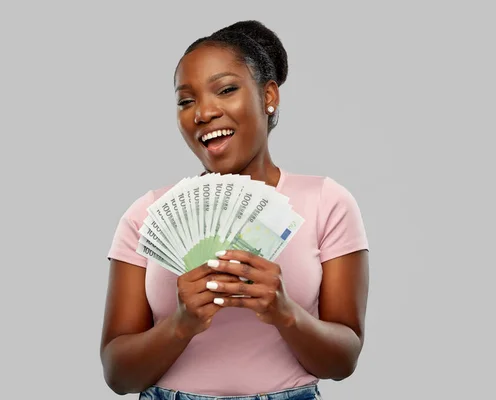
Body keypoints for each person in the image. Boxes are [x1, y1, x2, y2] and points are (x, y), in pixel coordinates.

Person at [100, 20, 370, 400]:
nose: (203, 112)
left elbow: (343, 361)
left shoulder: (328, 202)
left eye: (226, 90)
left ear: (269, 96)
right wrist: (181, 324)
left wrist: (284, 312)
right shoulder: (148, 214)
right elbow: (117, 374)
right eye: (186, 100)